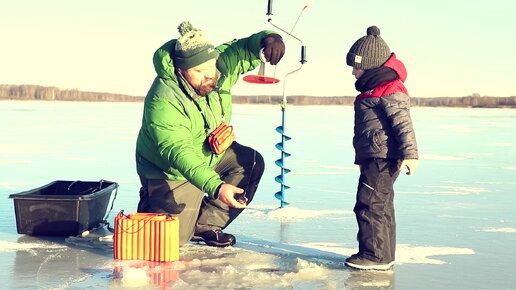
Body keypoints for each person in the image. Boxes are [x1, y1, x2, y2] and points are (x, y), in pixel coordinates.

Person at [135, 21, 285, 247]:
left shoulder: (218, 67)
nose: (209, 76)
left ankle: (206, 225)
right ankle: (152, 202)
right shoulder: (163, 99)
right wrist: (216, 186)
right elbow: (178, 152)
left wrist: (269, 39)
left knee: (250, 162)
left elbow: (241, 49)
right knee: (169, 243)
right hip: (171, 170)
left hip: (207, 156)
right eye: (198, 71)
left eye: (211, 67)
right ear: (180, 70)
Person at [344, 26, 419, 270]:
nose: (354, 74)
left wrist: (410, 155)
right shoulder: (374, 89)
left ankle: (374, 256)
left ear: (371, 65)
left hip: (382, 158)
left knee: (369, 203)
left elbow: (403, 124)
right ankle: (384, 255)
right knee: (382, 205)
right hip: (374, 156)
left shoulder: (390, 89)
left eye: (357, 67)